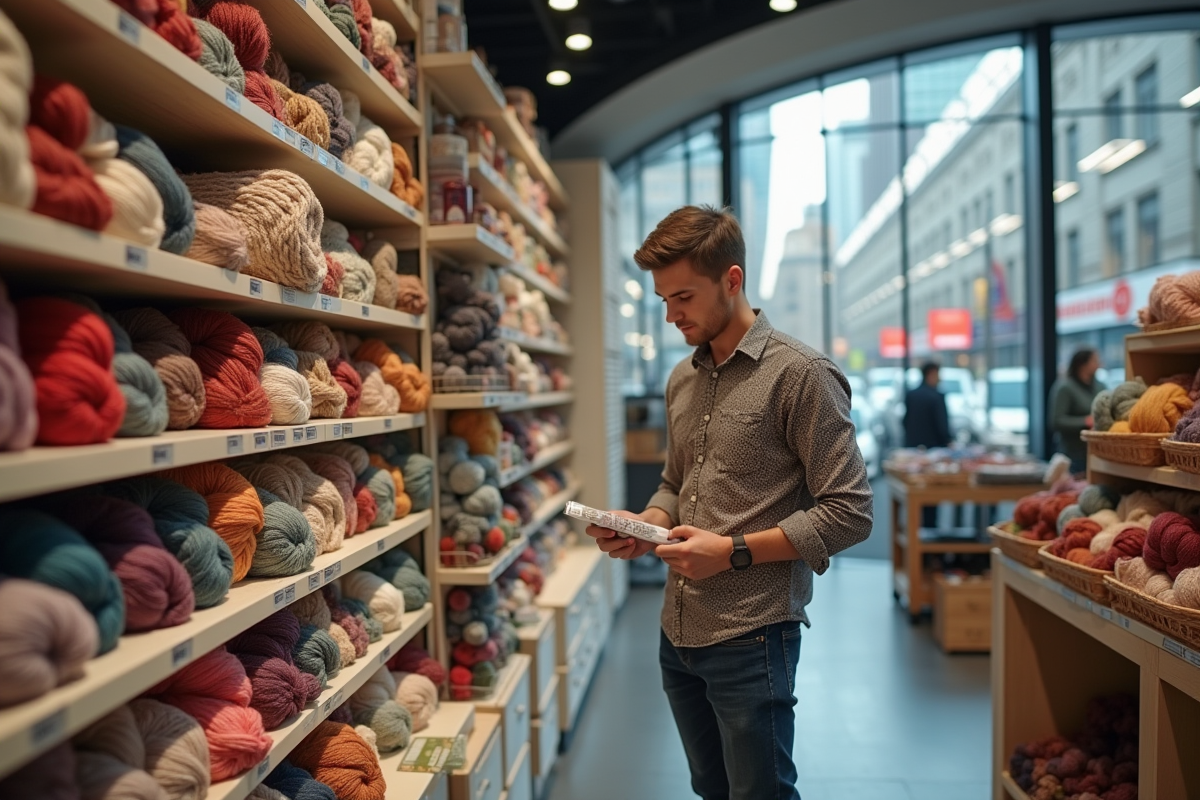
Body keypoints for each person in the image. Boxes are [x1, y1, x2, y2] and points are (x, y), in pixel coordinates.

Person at [583, 205, 873, 800]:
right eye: (663, 300)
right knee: (711, 790)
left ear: (732, 280)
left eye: (683, 297)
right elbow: (673, 480)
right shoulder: (682, 379)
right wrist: (650, 522)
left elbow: (850, 511)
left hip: (753, 635)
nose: (671, 316)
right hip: (678, 631)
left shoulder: (801, 375)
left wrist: (733, 552)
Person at [904, 362, 953, 529]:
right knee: (931, 499)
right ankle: (930, 535)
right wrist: (949, 442)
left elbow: (905, 421)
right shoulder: (937, 396)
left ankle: (915, 533)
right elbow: (942, 426)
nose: (940, 378)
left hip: (913, 452)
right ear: (931, 374)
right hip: (934, 453)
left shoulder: (911, 394)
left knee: (913, 498)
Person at [1050, 347, 1105, 473]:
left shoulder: (1099, 386)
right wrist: (1085, 421)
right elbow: (1056, 421)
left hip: (1097, 452)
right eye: (1094, 360)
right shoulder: (1065, 388)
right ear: (1082, 364)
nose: (1098, 363)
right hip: (1072, 453)